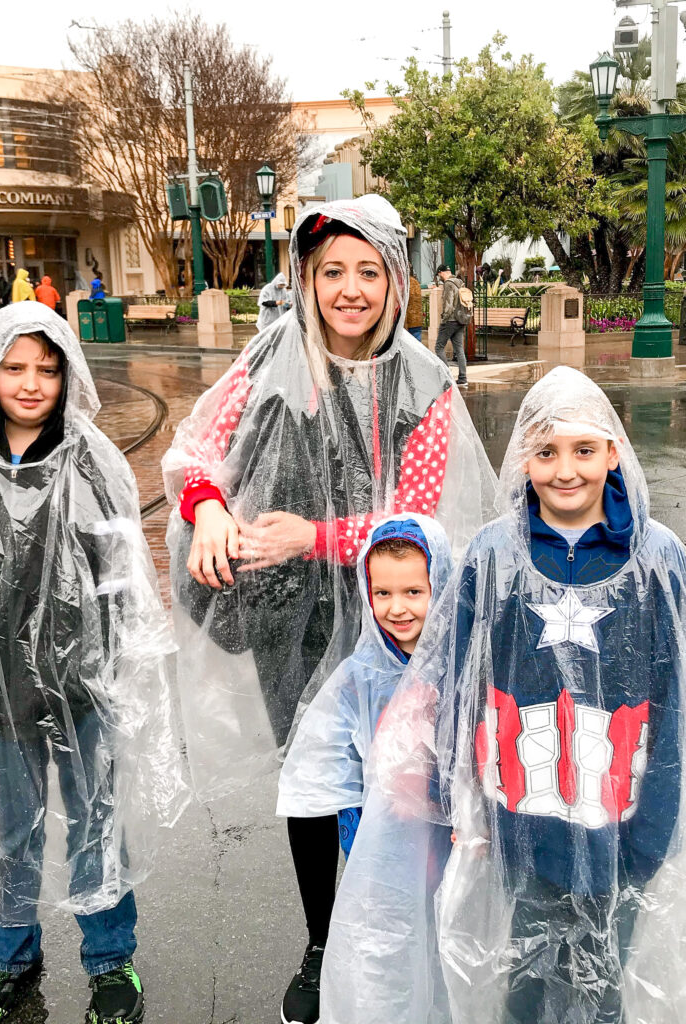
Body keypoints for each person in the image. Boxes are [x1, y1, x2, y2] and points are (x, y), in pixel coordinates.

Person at [163, 194, 496, 1024]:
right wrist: (205, 506)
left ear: (394, 282)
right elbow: (199, 447)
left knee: (402, 781)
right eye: (331, 272)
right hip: (291, 622)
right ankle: (322, 942)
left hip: (394, 620)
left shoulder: (423, 383)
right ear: (306, 281)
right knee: (314, 780)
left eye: (368, 272)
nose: (350, 289)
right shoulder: (270, 356)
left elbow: (414, 524)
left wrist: (312, 536)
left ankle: (402, 935)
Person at [321, 366, 686, 1024]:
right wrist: (466, 807)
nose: (565, 470)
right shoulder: (493, 558)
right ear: (523, 456)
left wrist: (652, 836)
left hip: (620, 830)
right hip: (524, 830)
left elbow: (674, 701)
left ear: (613, 449)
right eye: (546, 452)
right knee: (524, 983)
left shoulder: (657, 561)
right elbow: (459, 688)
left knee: (603, 989)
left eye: (583, 449)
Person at [0, 303, 188, 1024]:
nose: (31, 384)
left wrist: (114, 663)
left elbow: (123, 574)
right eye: (14, 367)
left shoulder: (92, 458)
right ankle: (7, 955)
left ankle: (109, 959)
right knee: (14, 825)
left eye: (47, 368)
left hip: (82, 679)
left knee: (96, 818)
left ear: (68, 374)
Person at [277, 514, 453, 1024]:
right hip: (383, 838)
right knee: (390, 933)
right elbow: (317, 771)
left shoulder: (464, 663)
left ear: (439, 586)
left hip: (451, 837)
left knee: (442, 932)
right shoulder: (360, 674)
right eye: (383, 593)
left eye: (415, 592)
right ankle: (326, 953)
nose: (397, 609)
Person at [434, 264, 469, 387]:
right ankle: (463, 378)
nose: (439, 277)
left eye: (439, 275)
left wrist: (444, 318)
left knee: (439, 347)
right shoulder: (460, 282)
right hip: (461, 319)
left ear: (441, 273)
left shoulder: (449, 284)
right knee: (459, 349)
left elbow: (448, 304)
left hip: (450, 320)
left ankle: (447, 377)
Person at [405, 271, 424, 342]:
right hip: (417, 319)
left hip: (408, 321)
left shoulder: (405, 282)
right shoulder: (416, 282)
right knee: (417, 344)